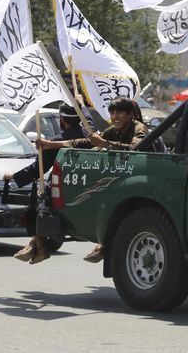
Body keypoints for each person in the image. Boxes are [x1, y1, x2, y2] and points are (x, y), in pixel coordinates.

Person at [37, 96, 149, 262]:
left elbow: (134, 148)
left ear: (130, 115)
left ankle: (104, 246)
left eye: (119, 113)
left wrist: (105, 144)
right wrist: (50, 144)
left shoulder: (139, 128)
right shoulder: (113, 130)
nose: (115, 117)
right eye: (112, 113)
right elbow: (85, 142)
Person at [3, 103, 87, 264]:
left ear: (62, 119)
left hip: (62, 189)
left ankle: (39, 246)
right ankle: (34, 244)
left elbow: (37, 170)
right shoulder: (89, 136)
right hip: (86, 186)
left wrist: (13, 176)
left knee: (34, 209)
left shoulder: (56, 142)